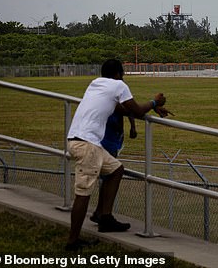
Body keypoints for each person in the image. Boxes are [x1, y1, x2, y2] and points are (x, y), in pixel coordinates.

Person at [65, 58, 171, 251]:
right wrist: (155, 101)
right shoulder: (119, 85)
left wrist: (151, 107)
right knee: (83, 194)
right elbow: (137, 110)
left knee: (116, 169)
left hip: (79, 140)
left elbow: (121, 109)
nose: (122, 76)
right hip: (87, 144)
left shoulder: (95, 83)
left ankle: (105, 217)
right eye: (121, 73)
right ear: (117, 74)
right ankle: (72, 242)